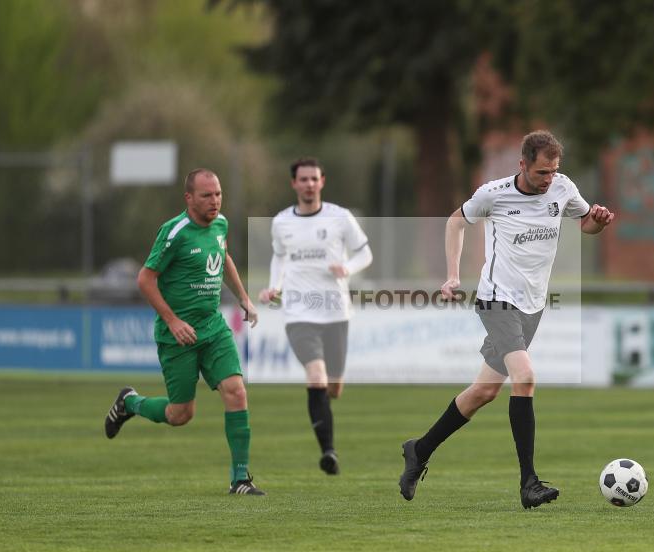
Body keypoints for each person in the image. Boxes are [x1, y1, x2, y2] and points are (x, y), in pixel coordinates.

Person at [398, 131, 615, 508]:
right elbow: (455, 221)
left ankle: (419, 449)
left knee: (484, 392)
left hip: (532, 306)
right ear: (523, 165)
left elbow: (586, 226)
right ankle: (528, 483)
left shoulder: (563, 189)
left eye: (553, 172)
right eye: (541, 172)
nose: (548, 180)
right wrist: (452, 274)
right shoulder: (494, 194)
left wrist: (599, 221)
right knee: (525, 377)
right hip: (496, 300)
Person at [104, 168, 265, 495]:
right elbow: (145, 279)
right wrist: (174, 321)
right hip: (178, 335)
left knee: (236, 391)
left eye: (218, 194)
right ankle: (130, 403)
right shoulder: (174, 231)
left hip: (212, 327)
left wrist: (244, 298)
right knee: (181, 414)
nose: (215, 201)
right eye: (207, 195)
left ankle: (240, 480)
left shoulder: (220, 225)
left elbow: (224, 256)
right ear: (189, 198)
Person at [258, 158, 372, 475]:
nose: (309, 184)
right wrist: (273, 287)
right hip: (298, 312)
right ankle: (329, 453)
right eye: (303, 179)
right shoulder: (281, 222)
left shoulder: (340, 218)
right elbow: (279, 257)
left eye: (314, 179)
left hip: (335, 311)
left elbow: (365, 253)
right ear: (294, 184)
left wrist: (347, 268)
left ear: (322, 181)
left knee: (333, 387)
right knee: (316, 376)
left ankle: (326, 417)